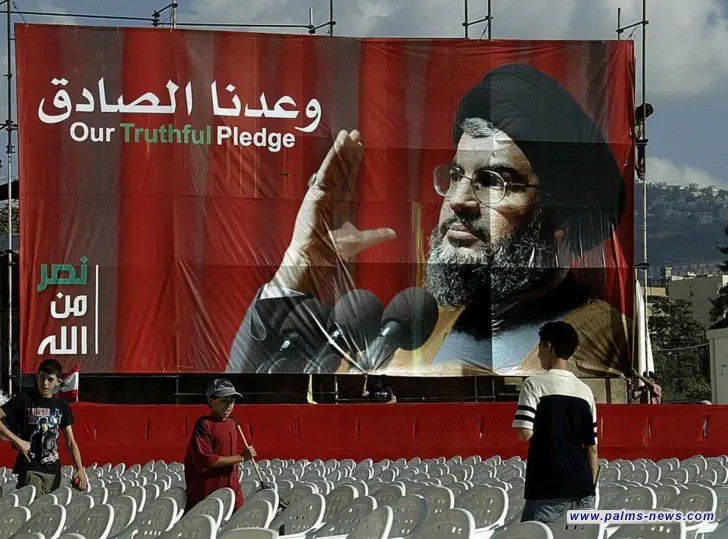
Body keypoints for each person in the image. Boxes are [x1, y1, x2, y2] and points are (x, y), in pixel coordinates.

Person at [226, 63, 631, 377]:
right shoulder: (417, 322)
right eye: (455, 176)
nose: (458, 200)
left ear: (563, 217)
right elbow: (242, 399)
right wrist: (300, 262)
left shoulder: (601, 333)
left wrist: (457, 385)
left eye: (493, 182)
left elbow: (557, 409)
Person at [512, 321, 598, 524]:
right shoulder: (585, 391)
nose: (538, 353)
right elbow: (592, 448)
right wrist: (590, 488)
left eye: (539, 346)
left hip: (548, 489)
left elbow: (524, 433)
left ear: (548, 346)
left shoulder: (533, 385)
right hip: (583, 489)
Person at [0, 358, 88, 495]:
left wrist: (80, 469)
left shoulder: (62, 406)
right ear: (37, 376)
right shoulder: (24, 399)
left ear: (58, 381)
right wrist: (17, 441)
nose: (45, 383)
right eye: (42, 377)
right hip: (30, 469)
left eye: (50, 379)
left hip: (54, 471)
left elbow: (70, 441)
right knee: (35, 507)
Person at [184, 379, 257, 511]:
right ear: (211, 400)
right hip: (207, 494)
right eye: (224, 400)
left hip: (232, 491)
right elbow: (206, 460)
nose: (229, 405)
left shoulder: (232, 423)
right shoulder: (203, 424)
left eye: (232, 401)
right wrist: (241, 457)